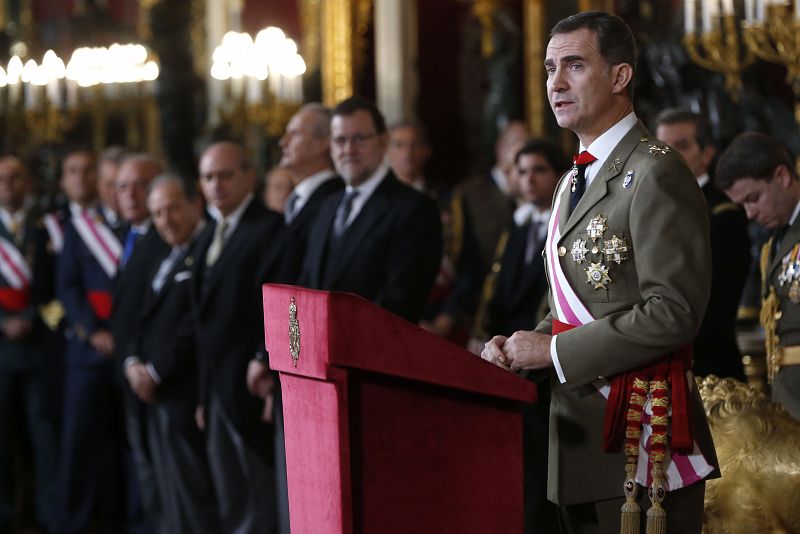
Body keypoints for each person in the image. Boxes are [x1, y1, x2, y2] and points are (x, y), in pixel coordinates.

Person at [481, 12, 717, 533]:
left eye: (574, 66)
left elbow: (674, 312)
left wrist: (556, 352)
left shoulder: (657, 171)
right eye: (549, 69)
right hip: (577, 444)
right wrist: (526, 344)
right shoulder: (570, 182)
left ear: (619, 76)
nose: (555, 84)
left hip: (642, 442)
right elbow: (573, 304)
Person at [250, 102, 343, 534]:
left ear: (326, 143)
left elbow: (304, 286)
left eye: (296, 134)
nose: (283, 142)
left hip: (308, 361)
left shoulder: (329, 201)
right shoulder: (301, 200)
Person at [193, 140, 282, 533]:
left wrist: (264, 360)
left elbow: (273, 307)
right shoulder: (207, 232)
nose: (216, 185)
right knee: (230, 496)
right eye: (208, 177)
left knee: (258, 497)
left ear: (249, 176)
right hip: (214, 391)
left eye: (225, 175)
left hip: (249, 387)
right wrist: (202, 395)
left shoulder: (270, 228)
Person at [124, 174, 220, 532]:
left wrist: (156, 371)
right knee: (169, 502)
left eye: (173, 209)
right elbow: (142, 317)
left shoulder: (206, 250)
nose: (167, 220)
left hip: (184, 392)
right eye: (158, 214)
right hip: (155, 396)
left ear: (195, 204)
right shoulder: (165, 255)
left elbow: (196, 325)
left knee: (195, 503)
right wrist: (133, 362)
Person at [300, 96, 442, 324]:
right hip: (317, 354)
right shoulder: (327, 205)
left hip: (374, 354)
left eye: (359, 139)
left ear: (383, 141)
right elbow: (308, 285)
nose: (349, 149)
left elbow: (400, 302)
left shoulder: (415, 208)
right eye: (340, 140)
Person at [54, 147, 129, 533]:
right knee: (80, 444)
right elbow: (67, 289)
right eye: (110, 184)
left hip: (129, 354)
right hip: (87, 354)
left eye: (123, 184)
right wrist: (95, 332)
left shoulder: (138, 228)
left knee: (128, 447)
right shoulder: (81, 228)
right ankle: (75, 522)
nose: (117, 192)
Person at [655, 108, 751, 380]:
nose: (669, 156)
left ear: (707, 154)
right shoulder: (651, 205)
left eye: (681, 146)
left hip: (708, 367)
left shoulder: (723, 214)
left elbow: (718, 302)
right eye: (662, 147)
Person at [716, 131, 800, 421]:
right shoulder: (773, 244)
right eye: (743, 204)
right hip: (788, 394)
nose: (750, 213)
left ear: (782, 176)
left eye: (754, 198)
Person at [0, 155, 59, 532]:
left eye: (16, 177)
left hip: (40, 351)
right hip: (2, 353)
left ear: (28, 183)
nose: (8, 184)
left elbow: (61, 289)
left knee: (45, 440)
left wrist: (34, 320)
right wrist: (3, 324)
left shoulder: (46, 229)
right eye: (2, 178)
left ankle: (49, 517)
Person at [110, 153, 169, 529]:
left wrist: (144, 364)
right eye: (122, 186)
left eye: (141, 185)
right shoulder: (122, 236)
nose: (131, 194)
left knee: (162, 473)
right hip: (127, 372)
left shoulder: (166, 239)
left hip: (157, 375)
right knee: (141, 467)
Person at [386, 121, 433, 193]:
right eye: (399, 145)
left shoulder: (445, 196)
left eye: (414, 144)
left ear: (427, 150)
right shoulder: (378, 197)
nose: (407, 152)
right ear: (387, 151)